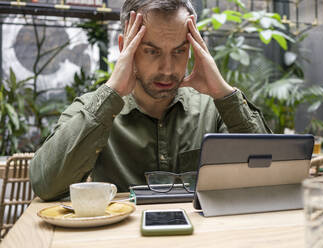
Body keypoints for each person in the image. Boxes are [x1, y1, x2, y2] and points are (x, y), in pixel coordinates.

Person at [29, 0, 271, 201]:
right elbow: (45, 185)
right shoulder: (92, 109)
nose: (167, 69)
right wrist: (112, 91)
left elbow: (268, 175)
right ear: (126, 47)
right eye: (151, 51)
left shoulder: (213, 107)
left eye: (179, 50)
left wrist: (224, 94)